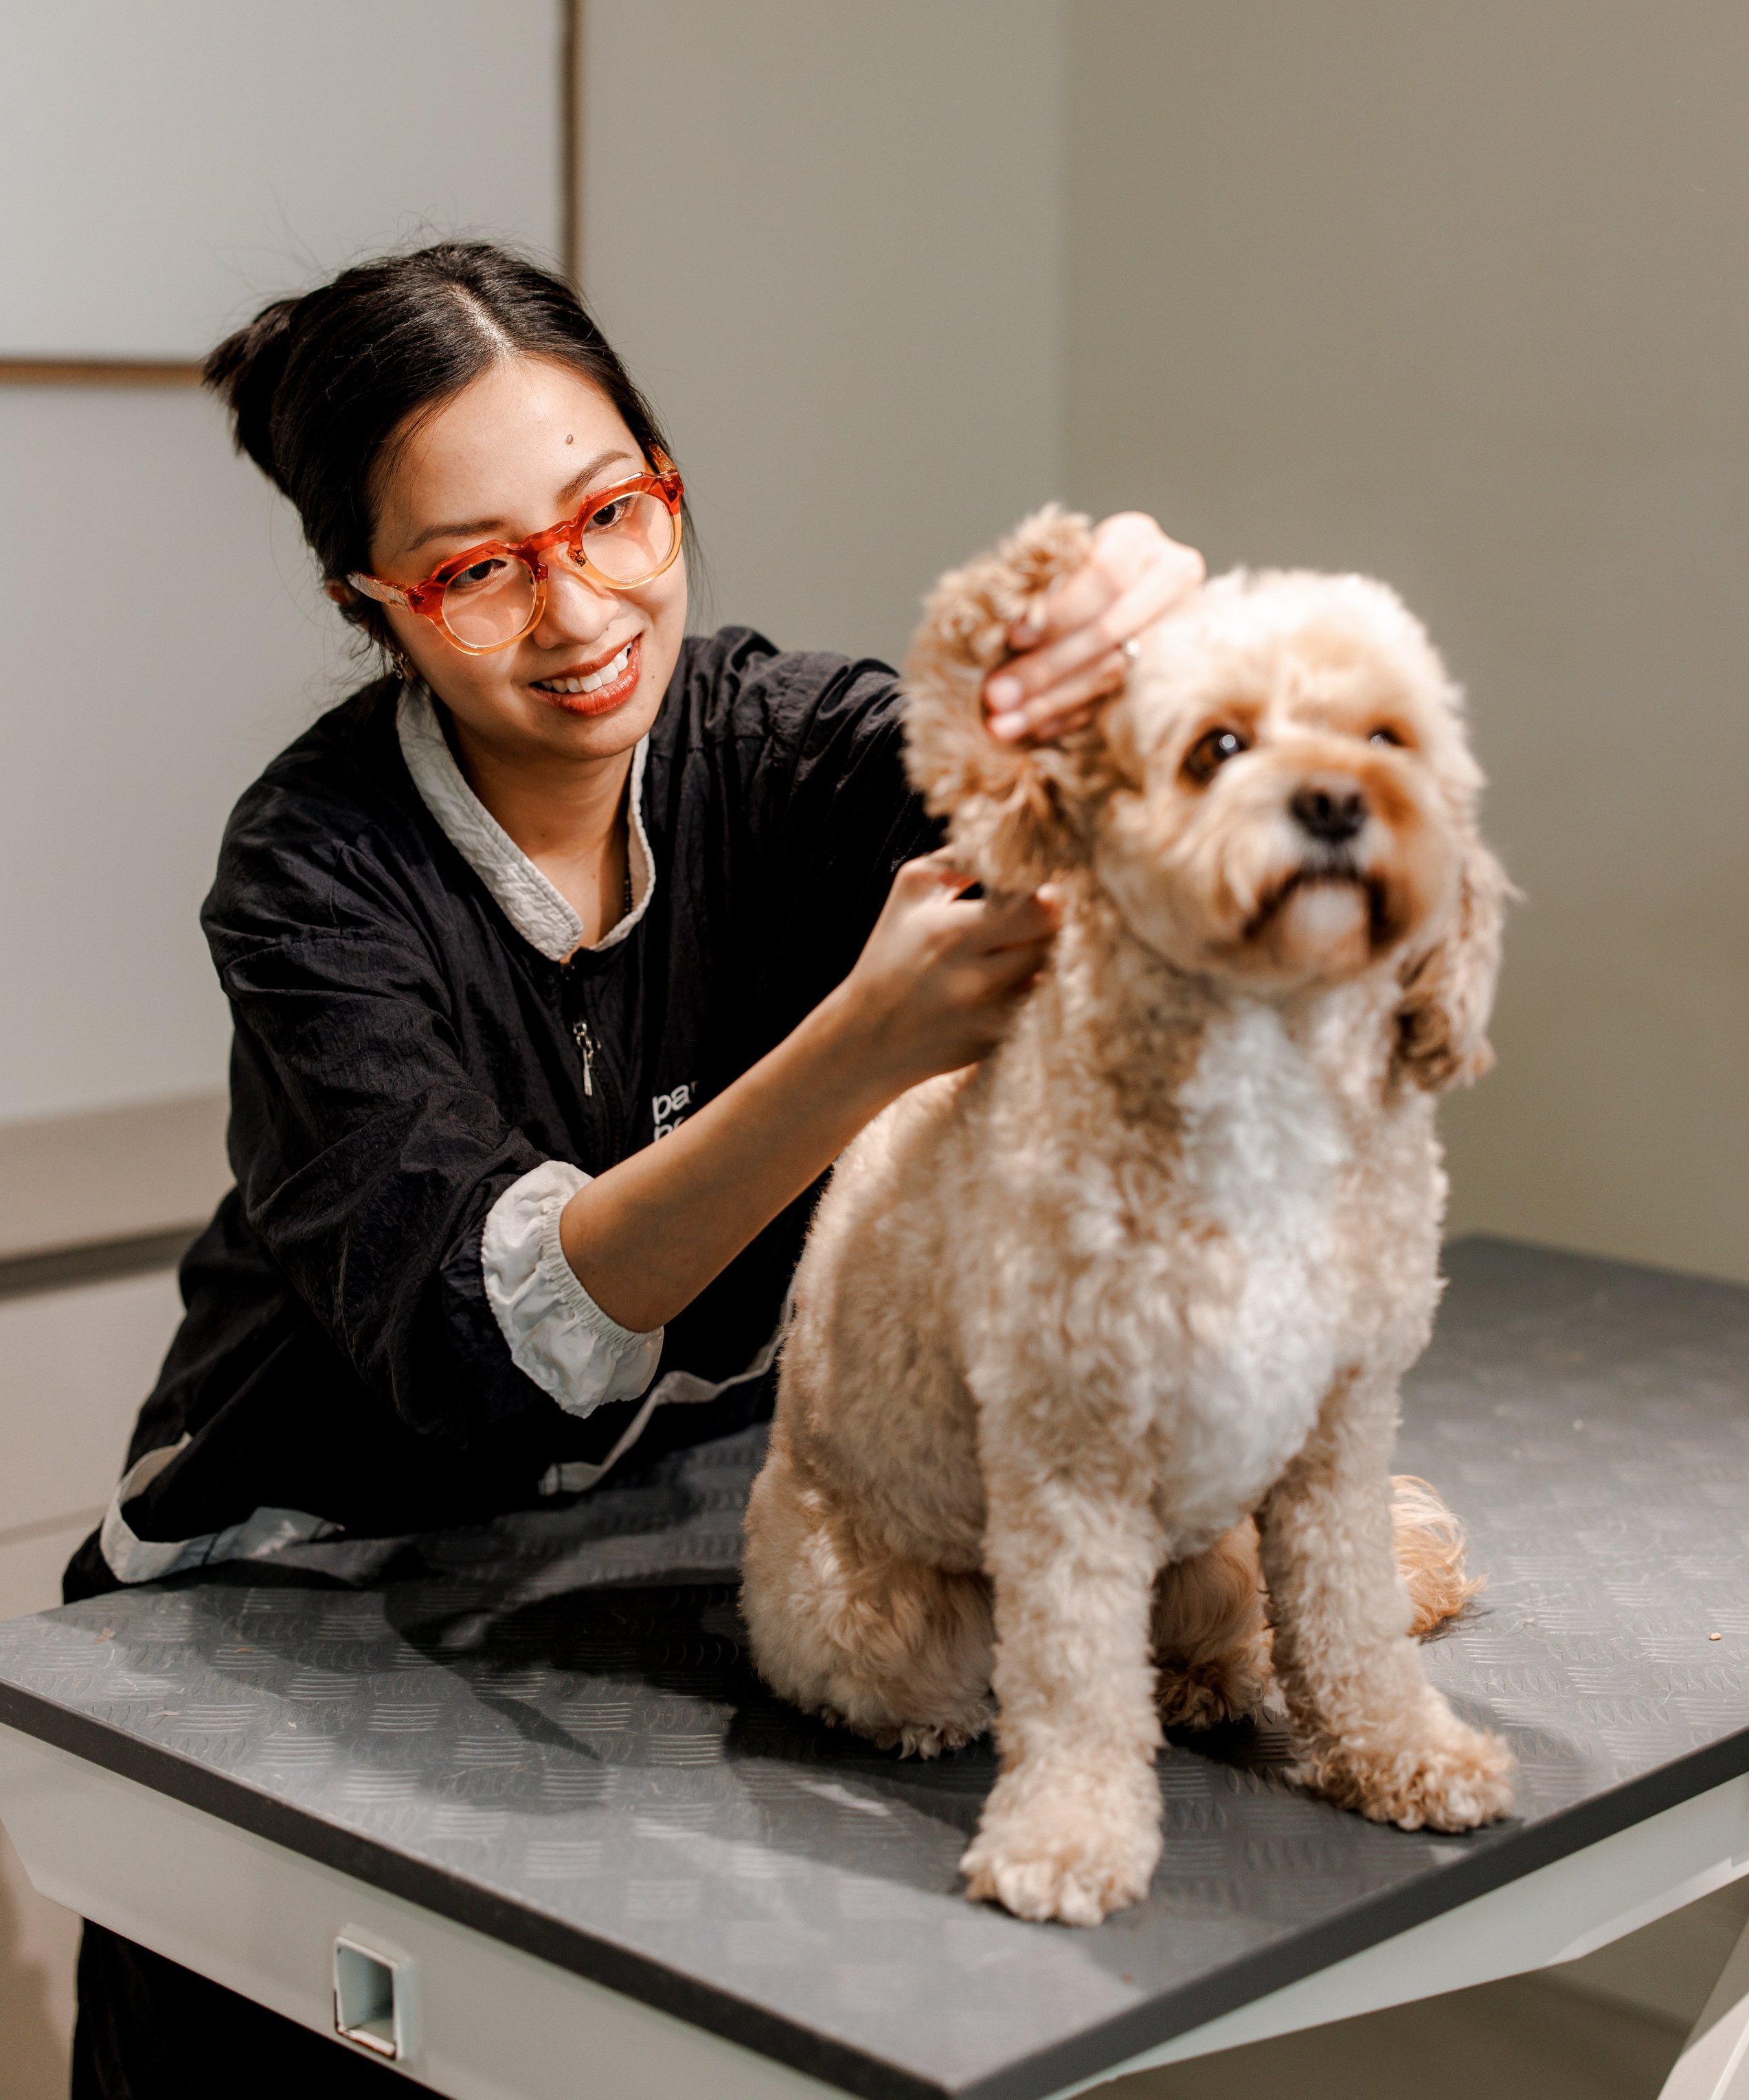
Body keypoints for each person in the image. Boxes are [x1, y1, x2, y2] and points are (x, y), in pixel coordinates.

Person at [66, 240, 1203, 2096]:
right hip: (287, 1606)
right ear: (379, 601)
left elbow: (1074, 803)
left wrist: (1141, 643)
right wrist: (862, 1043)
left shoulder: (779, 747)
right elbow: (488, 1342)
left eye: (614, 511)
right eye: (480, 567)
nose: (580, 604)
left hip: (618, 1567)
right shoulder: (310, 876)